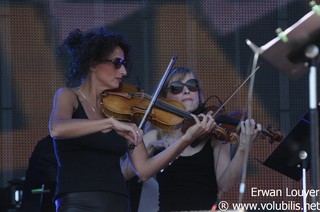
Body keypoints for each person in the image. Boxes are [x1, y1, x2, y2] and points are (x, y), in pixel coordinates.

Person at [48, 27, 216, 212]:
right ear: (93, 64)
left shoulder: (122, 109)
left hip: (119, 203)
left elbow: (143, 170)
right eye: (117, 63)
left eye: (124, 63)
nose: (124, 71)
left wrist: (186, 139)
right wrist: (109, 123)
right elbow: (57, 128)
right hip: (78, 202)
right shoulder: (68, 96)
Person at [122, 67, 262, 211]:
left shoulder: (215, 133)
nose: (186, 91)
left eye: (192, 86)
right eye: (177, 88)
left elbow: (225, 184)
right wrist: (151, 147)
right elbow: (123, 174)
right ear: (165, 98)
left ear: (199, 94)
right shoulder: (156, 134)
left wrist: (244, 148)